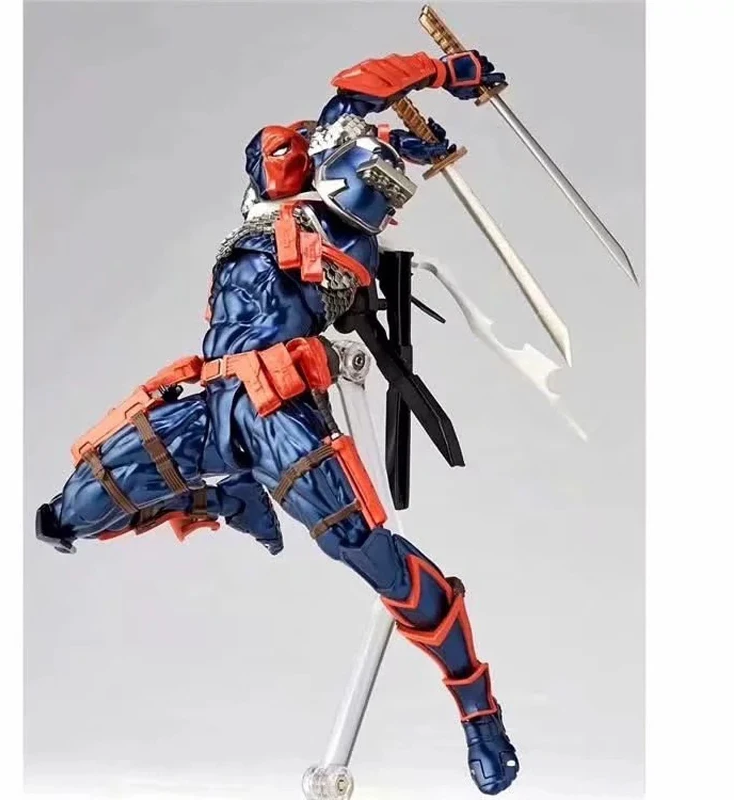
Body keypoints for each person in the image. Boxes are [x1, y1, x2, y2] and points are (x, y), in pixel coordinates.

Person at [36, 49, 519, 795]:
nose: (280, 156)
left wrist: (445, 75)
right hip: (208, 398)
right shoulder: (266, 207)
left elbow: (360, 101)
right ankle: (224, 496)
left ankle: (477, 708)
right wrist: (428, 87)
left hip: (276, 408)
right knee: (71, 512)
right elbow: (350, 102)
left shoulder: (341, 215)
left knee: (370, 553)